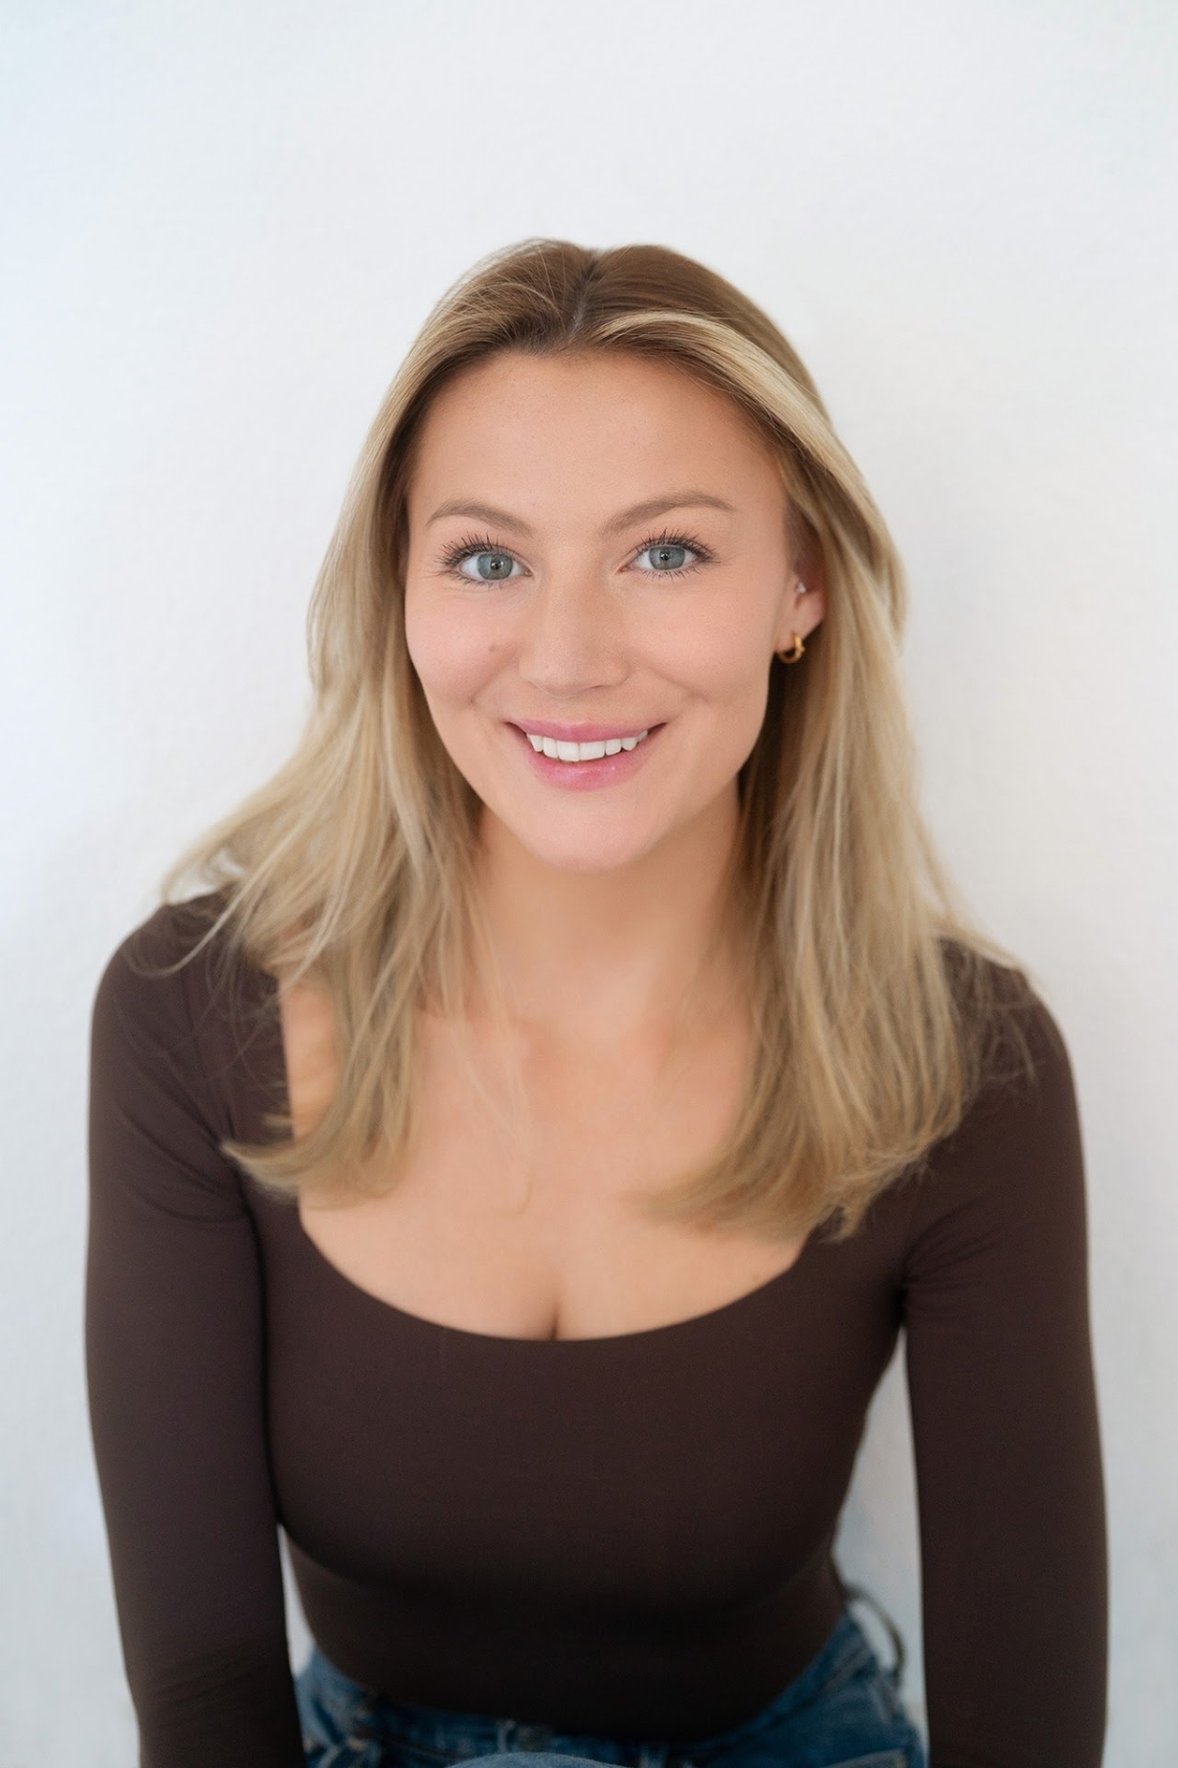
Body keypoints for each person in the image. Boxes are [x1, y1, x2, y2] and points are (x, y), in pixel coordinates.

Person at [85, 237, 1107, 1768]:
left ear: (799, 585)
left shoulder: (963, 1063)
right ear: (399, 589)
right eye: (488, 559)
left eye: (665, 553)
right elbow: (203, 1702)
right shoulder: (191, 1018)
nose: (564, 659)